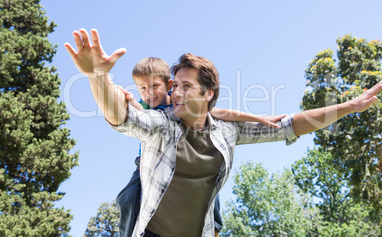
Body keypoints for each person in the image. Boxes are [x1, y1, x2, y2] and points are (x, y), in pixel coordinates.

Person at [65, 28, 382, 237]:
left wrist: (350, 106)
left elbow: (290, 125)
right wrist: (97, 76)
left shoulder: (225, 131)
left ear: (208, 93)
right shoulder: (162, 125)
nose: (174, 93)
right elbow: (121, 117)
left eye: (185, 86)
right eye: (174, 86)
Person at [115, 57, 286, 237]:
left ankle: (214, 227)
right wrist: (127, 99)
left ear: (169, 85)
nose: (149, 93)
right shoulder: (146, 106)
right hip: (147, 164)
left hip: (187, 154)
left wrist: (259, 119)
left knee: (206, 181)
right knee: (127, 197)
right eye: (142, 88)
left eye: (154, 86)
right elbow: (136, 115)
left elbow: (220, 113)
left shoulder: (177, 102)